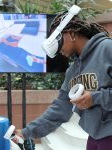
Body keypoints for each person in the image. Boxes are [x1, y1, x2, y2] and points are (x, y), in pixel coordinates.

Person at [14, 11, 112, 150]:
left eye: (58, 41)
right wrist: (26, 132)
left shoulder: (107, 48)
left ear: (72, 34)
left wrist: (95, 98)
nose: (58, 49)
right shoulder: (72, 71)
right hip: (94, 136)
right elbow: (60, 108)